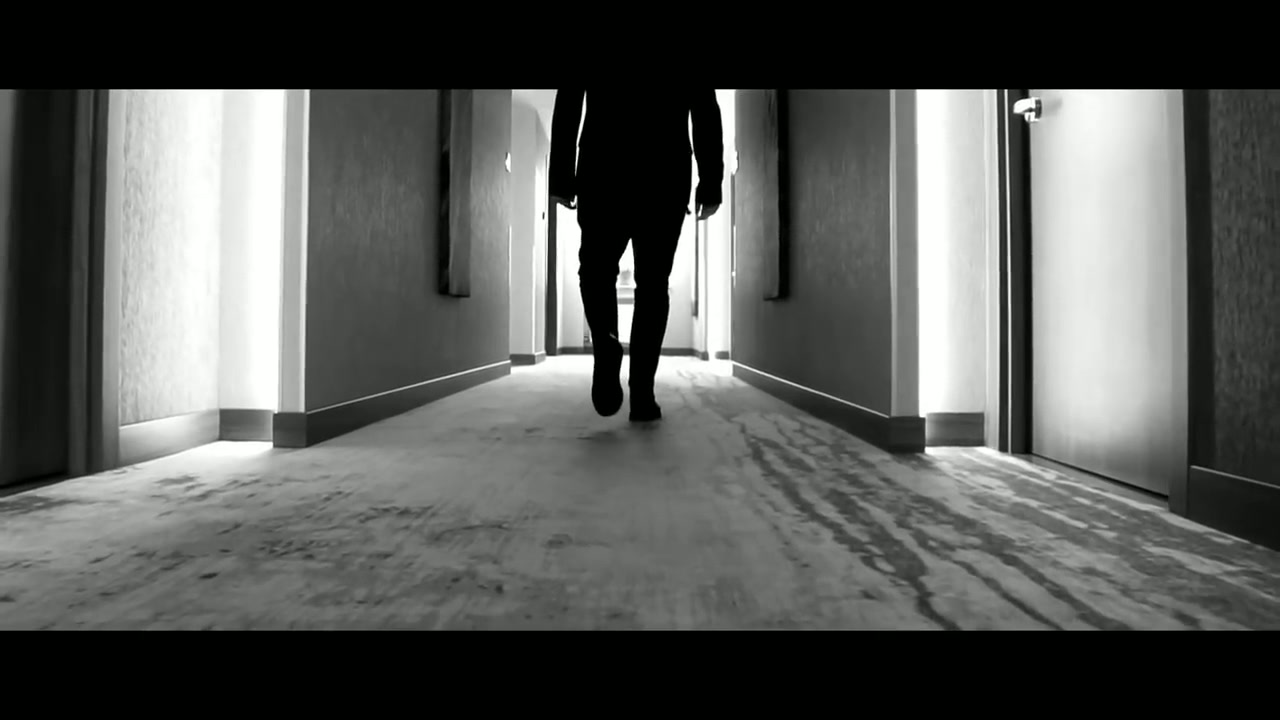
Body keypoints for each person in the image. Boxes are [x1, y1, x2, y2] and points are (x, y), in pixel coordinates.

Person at [549, 89, 724, 422]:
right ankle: (642, 394)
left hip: (603, 164)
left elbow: (569, 98)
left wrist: (561, 178)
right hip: (665, 168)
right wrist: (711, 181)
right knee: (653, 284)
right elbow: (704, 106)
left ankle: (605, 342)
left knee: (596, 270)